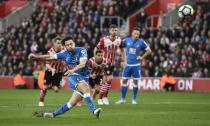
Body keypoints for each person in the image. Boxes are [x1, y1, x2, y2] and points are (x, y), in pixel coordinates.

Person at [29, 36, 101, 118]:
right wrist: (36, 57)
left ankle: (52, 114)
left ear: (74, 43)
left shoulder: (82, 50)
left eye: (71, 43)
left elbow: (82, 64)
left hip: (83, 78)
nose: (70, 45)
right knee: (86, 89)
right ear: (65, 47)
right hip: (73, 77)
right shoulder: (63, 54)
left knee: (71, 103)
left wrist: (72, 70)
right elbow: (49, 57)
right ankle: (94, 111)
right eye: (68, 45)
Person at [115, 27, 152, 105]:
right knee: (124, 81)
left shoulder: (141, 42)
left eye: (138, 34)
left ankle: (134, 99)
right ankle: (122, 99)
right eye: (135, 33)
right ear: (132, 33)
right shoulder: (126, 40)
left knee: (135, 83)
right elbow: (120, 47)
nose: (136, 35)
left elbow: (149, 51)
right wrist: (123, 60)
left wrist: (142, 57)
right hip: (127, 65)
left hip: (136, 65)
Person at [96, 24, 125, 105]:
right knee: (109, 79)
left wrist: (124, 60)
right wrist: (100, 59)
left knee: (107, 81)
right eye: (112, 30)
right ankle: (101, 98)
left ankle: (104, 97)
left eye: (115, 30)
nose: (114, 31)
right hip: (105, 63)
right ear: (109, 31)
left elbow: (122, 50)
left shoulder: (119, 40)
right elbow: (97, 49)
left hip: (112, 63)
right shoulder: (104, 40)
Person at [38, 36, 65, 107]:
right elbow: (47, 64)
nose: (60, 44)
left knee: (56, 90)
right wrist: (52, 69)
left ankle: (52, 85)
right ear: (54, 44)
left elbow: (67, 60)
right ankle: (41, 100)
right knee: (44, 88)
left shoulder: (64, 51)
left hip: (59, 72)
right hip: (49, 71)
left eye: (60, 43)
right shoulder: (50, 52)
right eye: (58, 43)